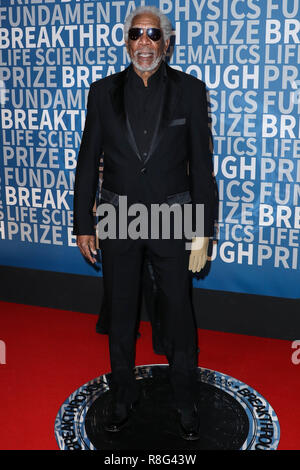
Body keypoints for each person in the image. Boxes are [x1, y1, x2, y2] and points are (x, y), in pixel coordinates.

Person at [73, 6, 216, 440]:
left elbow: (202, 167)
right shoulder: (102, 93)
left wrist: (203, 230)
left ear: (167, 43)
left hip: (174, 216)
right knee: (120, 313)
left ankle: (186, 399)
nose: (144, 43)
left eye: (153, 35)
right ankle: (122, 397)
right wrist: (84, 222)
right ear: (126, 40)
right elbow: (86, 163)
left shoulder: (191, 91)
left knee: (178, 312)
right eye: (136, 34)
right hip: (117, 216)